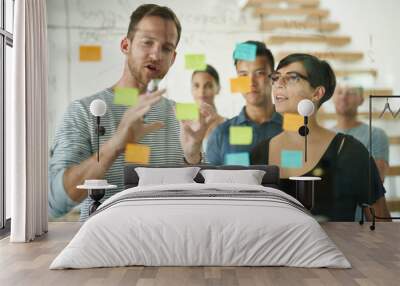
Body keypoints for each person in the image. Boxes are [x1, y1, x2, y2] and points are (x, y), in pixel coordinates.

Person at [49, 4, 214, 221]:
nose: (156, 54)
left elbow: (205, 198)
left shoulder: (182, 118)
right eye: (147, 42)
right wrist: (115, 144)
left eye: (166, 48)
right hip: (104, 245)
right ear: (126, 45)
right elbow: (56, 203)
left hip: (169, 244)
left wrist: (193, 157)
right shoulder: (82, 112)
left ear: (173, 58)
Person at [250, 53, 391, 222]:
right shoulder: (258, 153)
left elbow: (381, 224)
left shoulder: (350, 152)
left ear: (317, 93)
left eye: (292, 77)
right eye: (276, 77)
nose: (279, 84)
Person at [206, 41, 282, 165]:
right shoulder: (221, 135)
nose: (251, 82)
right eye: (243, 75)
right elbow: (209, 183)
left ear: (274, 77)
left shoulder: (294, 130)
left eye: (259, 73)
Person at [332, 84, 389, 181]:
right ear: (332, 98)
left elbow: (377, 180)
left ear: (361, 100)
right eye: (339, 92)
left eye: (350, 93)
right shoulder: (324, 135)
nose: (343, 97)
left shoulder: (376, 134)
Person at [191, 64, 225, 151]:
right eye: (196, 86)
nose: (201, 91)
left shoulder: (229, 126)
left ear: (218, 88)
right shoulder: (184, 127)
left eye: (208, 86)